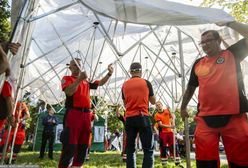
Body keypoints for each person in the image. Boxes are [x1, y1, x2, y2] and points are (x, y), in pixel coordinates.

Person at [180, 21, 248, 168]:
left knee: (241, 161)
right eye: (202, 42)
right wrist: (183, 107)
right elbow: (191, 86)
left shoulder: (232, 54)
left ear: (218, 41)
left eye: (208, 41)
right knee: (205, 162)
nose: (205, 45)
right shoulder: (198, 63)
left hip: (234, 117)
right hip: (205, 119)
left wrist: (230, 23)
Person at [58, 58, 113, 168]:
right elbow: (69, 92)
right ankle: (65, 165)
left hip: (86, 114)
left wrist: (109, 74)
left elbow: (100, 83)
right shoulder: (67, 78)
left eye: (79, 64)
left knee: (83, 143)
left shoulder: (86, 80)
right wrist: (79, 79)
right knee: (70, 143)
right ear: (70, 67)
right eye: (75, 65)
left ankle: (78, 165)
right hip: (74, 112)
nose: (78, 67)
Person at [122, 62, 156, 168]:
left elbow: (124, 103)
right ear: (140, 71)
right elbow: (153, 101)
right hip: (142, 116)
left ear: (130, 71)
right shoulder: (146, 83)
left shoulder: (125, 84)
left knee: (130, 149)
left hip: (129, 118)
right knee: (148, 149)